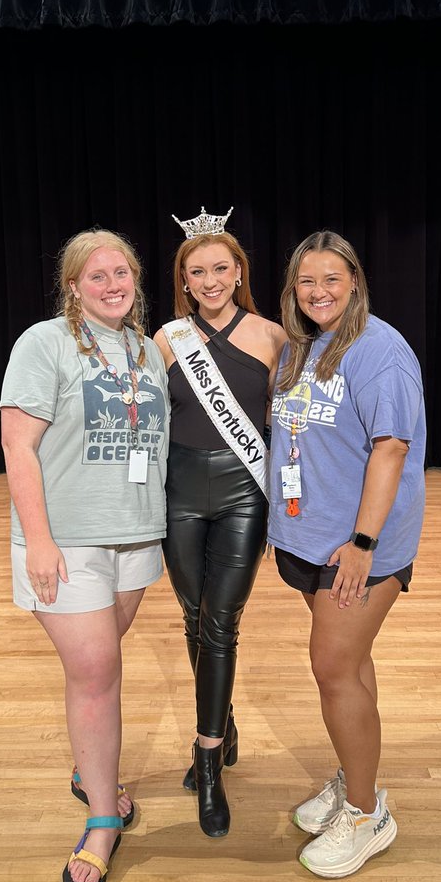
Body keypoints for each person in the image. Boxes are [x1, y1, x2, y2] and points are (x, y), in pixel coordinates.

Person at [0, 229, 169, 882]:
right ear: (73, 286)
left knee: (95, 665)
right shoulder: (43, 344)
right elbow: (18, 445)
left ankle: (87, 766)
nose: (111, 284)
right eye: (95, 276)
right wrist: (38, 540)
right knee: (98, 671)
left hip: (136, 536)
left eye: (120, 272)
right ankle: (103, 818)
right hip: (66, 540)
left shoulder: (145, 351)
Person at [267, 230, 426, 879]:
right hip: (310, 533)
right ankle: (355, 774)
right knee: (351, 667)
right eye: (307, 281)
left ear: (354, 281)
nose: (319, 291)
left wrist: (362, 544)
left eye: (331, 279)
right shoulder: (301, 346)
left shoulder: (379, 349)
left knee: (332, 667)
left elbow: (392, 449)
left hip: (358, 546)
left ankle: (366, 814)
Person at [154, 206, 286, 838]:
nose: (209, 281)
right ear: (183, 278)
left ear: (239, 271)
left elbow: (293, 427)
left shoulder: (271, 336)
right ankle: (225, 725)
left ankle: (208, 760)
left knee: (220, 622)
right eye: (196, 271)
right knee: (193, 615)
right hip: (179, 492)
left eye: (220, 268)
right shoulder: (165, 341)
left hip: (242, 493)